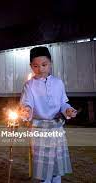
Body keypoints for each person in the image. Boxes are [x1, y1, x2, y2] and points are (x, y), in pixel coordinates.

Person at [20, 46, 77, 183]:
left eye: (44, 65)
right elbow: (27, 103)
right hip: (39, 129)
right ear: (31, 66)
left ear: (50, 63)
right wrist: (26, 110)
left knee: (56, 164)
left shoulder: (58, 83)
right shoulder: (29, 85)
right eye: (36, 66)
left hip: (56, 127)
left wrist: (68, 110)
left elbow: (63, 103)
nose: (40, 69)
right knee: (43, 167)